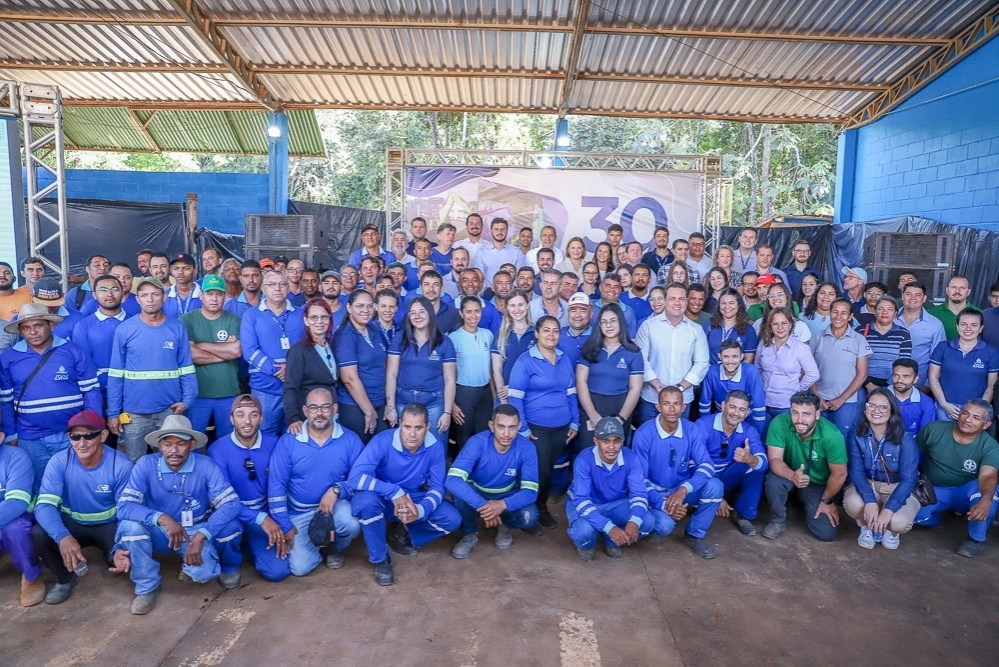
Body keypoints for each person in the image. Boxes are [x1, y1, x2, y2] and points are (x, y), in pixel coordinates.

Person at [112, 415, 241, 614]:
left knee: (204, 573)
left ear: (192, 444)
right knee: (130, 527)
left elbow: (231, 504)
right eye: (167, 444)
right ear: (160, 445)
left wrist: (202, 535)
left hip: (194, 529)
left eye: (181, 444)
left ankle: (190, 566)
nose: (174, 450)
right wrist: (161, 518)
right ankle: (147, 586)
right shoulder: (146, 464)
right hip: (158, 530)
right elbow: (125, 506)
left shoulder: (206, 465)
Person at [348, 403, 461, 585]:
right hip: (382, 497)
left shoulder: (435, 446)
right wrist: (393, 491)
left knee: (452, 518)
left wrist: (420, 510)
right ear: (400, 424)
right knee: (365, 503)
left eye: (418, 428)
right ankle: (380, 558)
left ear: (427, 426)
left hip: (412, 498)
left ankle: (402, 533)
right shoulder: (382, 441)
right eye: (407, 427)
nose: (412, 434)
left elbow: (437, 488)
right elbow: (355, 479)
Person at [32, 410, 133, 604]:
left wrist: (119, 546)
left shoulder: (121, 465)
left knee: (128, 550)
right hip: (73, 523)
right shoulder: (59, 461)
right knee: (39, 534)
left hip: (110, 525)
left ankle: (109, 557)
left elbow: (127, 512)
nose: (82, 442)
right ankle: (65, 579)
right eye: (75, 436)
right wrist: (62, 536)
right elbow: (44, 506)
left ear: (103, 435)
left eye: (89, 435)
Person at [1, 303, 101, 491]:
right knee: (41, 488)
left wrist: (90, 427)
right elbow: (5, 402)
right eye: (26, 328)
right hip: (30, 437)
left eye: (38, 325)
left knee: (76, 485)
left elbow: (91, 391)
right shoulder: (9, 358)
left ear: (51, 325)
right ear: (20, 331)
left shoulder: (73, 350)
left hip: (71, 434)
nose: (32, 332)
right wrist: (11, 435)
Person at [267, 388, 363, 575]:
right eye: (313, 408)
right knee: (300, 568)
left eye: (325, 407)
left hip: (334, 508)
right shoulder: (288, 441)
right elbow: (276, 485)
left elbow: (360, 479)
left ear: (335, 409)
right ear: (305, 411)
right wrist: (285, 525)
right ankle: (318, 545)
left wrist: (337, 490)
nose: (319, 413)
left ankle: (333, 547)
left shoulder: (350, 440)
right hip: (299, 513)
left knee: (351, 522)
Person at [107, 277, 198, 462]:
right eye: (144, 295)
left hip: (169, 411)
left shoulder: (177, 328)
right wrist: (113, 413)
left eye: (155, 294)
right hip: (134, 413)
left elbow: (187, 368)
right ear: (138, 299)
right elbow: (116, 375)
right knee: (135, 463)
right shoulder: (125, 330)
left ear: (164, 297)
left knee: (169, 462)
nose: (150, 299)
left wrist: (188, 400)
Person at [204, 394, 289, 582]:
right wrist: (260, 518)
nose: (247, 421)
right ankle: (229, 566)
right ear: (231, 419)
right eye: (240, 415)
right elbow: (222, 499)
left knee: (278, 572)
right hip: (233, 513)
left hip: (264, 512)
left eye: (254, 415)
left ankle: (251, 545)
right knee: (227, 529)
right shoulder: (218, 450)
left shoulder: (274, 443)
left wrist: (278, 520)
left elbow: (282, 485)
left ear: (262, 418)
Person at [632, 386, 722, 558]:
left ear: (683, 407)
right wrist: (664, 504)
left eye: (676, 404)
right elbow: (639, 480)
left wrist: (684, 489)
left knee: (714, 486)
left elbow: (707, 465)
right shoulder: (644, 433)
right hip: (654, 493)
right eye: (666, 404)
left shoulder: (691, 429)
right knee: (664, 526)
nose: (672, 409)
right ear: (658, 407)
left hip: (680, 489)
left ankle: (694, 535)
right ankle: (655, 520)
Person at [508, 316, 579, 525]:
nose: (551, 335)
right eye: (546, 330)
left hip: (562, 427)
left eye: (555, 330)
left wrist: (574, 421)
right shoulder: (525, 361)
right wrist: (523, 428)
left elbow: (571, 392)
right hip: (537, 428)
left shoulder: (564, 359)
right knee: (541, 470)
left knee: (548, 467)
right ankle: (536, 510)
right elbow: (515, 397)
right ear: (537, 334)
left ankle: (535, 508)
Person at [446, 404, 540, 558]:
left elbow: (531, 492)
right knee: (460, 495)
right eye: (501, 427)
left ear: (519, 427)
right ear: (491, 425)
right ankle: (470, 534)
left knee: (529, 516)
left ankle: (505, 525)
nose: (506, 434)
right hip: (478, 492)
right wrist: (484, 506)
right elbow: (452, 480)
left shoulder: (527, 447)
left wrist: (502, 505)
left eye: (512, 427)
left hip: (506, 493)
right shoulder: (477, 442)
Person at [913, 400, 999, 557]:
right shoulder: (934, 429)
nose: (967, 419)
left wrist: (986, 500)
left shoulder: (990, 446)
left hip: (964, 493)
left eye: (976, 417)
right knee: (910, 517)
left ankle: (975, 539)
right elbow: (911, 456)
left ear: (986, 425)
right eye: (965, 413)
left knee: (988, 494)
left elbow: (988, 475)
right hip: (932, 490)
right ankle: (933, 517)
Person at [763, 391, 847, 542]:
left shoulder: (832, 435)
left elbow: (840, 474)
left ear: (817, 414)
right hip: (789, 475)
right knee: (774, 481)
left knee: (826, 533)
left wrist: (826, 500)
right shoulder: (779, 423)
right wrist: (792, 475)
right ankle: (777, 520)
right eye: (795, 413)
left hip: (816, 484)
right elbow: (774, 459)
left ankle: (801, 501)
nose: (800, 420)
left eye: (806, 414)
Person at [566, 416, 653, 560]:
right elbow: (581, 501)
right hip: (589, 504)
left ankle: (611, 541)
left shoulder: (631, 458)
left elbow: (639, 494)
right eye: (605, 441)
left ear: (622, 442)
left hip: (616, 504)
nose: (611, 447)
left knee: (647, 521)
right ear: (596, 441)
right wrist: (609, 527)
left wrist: (635, 520)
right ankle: (589, 543)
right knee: (584, 533)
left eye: (616, 441)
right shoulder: (584, 460)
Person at [843, 389, 921, 550]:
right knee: (853, 504)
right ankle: (867, 525)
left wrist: (888, 510)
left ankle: (891, 531)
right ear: (865, 409)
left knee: (898, 522)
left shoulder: (905, 438)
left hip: (896, 487)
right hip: (868, 483)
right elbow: (856, 471)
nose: (876, 411)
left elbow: (908, 479)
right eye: (871, 405)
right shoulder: (856, 434)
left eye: (883, 407)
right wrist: (870, 501)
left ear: (891, 411)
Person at [634, 282, 709, 424]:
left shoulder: (696, 330)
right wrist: (657, 384)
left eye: (681, 299)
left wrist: (680, 387)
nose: (677, 303)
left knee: (679, 436)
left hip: (682, 400)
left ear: (686, 301)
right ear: (664, 301)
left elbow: (702, 363)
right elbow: (640, 358)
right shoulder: (648, 326)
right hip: (651, 398)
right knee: (648, 435)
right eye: (672, 298)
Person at [241, 270, 305, 434]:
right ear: (263, 288)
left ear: (289, 288)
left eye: (282, 284)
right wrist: (278, 370)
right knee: (265, 436)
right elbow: (249, 351)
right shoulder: (251, 315)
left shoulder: (301, 314)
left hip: (297, 389)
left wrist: (290, 371)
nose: (277, 288)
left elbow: (308, 348)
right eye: (272, 284)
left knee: (295, 436)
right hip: (265, 390)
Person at [695, 390, 767, 536]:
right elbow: (692, 464)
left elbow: (764, 463)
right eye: (732, 407)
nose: (736, 413)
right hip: (702, 476)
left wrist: (750, 459)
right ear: (723, 406)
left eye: (742, 409)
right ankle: (699, 503)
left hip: (726, 476)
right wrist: (717, 496)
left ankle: (743, 516)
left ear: (748, 412)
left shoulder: (749, 430)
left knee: (756, 468)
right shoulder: (702, 425)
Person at [386, 296, 457, 441]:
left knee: (435, 445)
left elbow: (450, 380)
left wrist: (447, 413)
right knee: (405, 445)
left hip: (434, 403)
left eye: (422, 312)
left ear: (430, 313)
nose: (417, 316)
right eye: (412, 313)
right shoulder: (400, 338)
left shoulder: (444, 342)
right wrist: (390, 407)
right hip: (403, 401)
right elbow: (391, 374)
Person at [182, 275, 242, 442]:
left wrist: (200, 345)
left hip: (228, 392)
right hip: (197, 394)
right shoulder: (187, 319)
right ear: (201, 295)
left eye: (219, 294)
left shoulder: (233, 320)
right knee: (192, 442)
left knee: (228, 442)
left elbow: (236, 351)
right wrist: (225, 352)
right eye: (210, 294)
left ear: (224, 296)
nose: (214, 298)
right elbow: (191, 354)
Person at [576, 304, 643, 449]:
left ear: (621, 322)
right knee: (588, 450)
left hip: (620, 407)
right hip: (592, 405)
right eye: (604, 322)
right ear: (599, 325)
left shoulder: (633, 352)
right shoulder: (589, 348)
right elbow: (581, 381)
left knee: (613, 452)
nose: (608, 325)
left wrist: (621, 418)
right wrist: (593, 415)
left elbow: (635, 388)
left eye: (613, 321)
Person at [332, 290, 389, 443]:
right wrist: (368, 410)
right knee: (360, 449)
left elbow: (384, 364)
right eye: (360, 306)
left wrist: (388, 402)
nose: (366, 310)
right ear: (349, 307)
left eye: (370, 306)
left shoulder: (374, 329)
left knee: (381, 449)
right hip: (356, 406)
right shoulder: (345, 336)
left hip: (380, 401)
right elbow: (349, 378)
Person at [810, 298, 872, 438]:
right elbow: (807, 370)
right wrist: (816, 395)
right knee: (818, 438)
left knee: (841, 439)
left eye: (843, 313)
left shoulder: (859, 339)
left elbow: (862, 374)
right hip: (820, 400)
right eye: (835, 312)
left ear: (850, 316)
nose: (838, 316)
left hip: (846, 401)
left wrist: (841, 399)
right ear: (830, 313)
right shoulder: (817, 337)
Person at [755, 307, 820, 431]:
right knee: (763, 437)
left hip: (786, 404)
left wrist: (798, 389)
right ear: (770, 326)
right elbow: (757, 369)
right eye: (775, 324)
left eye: (784, 323)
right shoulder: (763, 344)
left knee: (783, 438)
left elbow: (813, 374)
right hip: (763, 402)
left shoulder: (800, 348)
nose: (780, 327)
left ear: (791, 325)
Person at [928, 309, 999, 421]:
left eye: (974, 325)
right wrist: (944, 404)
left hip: (974, 412)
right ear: (957, 326)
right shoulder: (943, 347)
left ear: (981, 328)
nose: (968, 329)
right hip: (945, 407)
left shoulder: (991, 352)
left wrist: (979, 409)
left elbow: (991, 384)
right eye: (963, 324)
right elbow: (933, 377)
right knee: (943, 432)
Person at [72, 275, 129, 411]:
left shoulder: (135, 323)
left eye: (115, 289)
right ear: (94, 295)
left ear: (122, 292)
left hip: (130, 393)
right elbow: (84, 364)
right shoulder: (83, 326)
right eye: (103, 290)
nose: (109, 294)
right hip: (97, 395)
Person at [283, 299, 338, 434]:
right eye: (314, 317)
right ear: (306, 321)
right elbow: (290, 387)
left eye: (324, 317)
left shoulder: (332, 345)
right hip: (311, 416)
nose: (319, 321)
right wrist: (293, 418)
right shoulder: (299, 351)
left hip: (331, 412)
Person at [0, 437, 44, 607]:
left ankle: (31, 576)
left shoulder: (16, 457)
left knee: (16, 531)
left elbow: (17, 503)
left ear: (1, 437)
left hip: (17, 515)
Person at [448, 296, 495, 457]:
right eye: (468, 312)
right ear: (461, 313)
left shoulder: (488, 335)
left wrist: (494, 397)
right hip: (463, 394)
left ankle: (481, 470)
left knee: (484, 436)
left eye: (477, 311)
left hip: (485, 394)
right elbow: (448, 374)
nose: (473, 316)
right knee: (464, 438)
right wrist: (452, 404)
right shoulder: (454, 338)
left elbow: (491, 370)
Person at [698, 340, 766, 430]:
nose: (730, 361)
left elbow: (759, 405)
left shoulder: (751, 372)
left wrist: (757, 432)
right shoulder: (712, 372)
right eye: (726, 356)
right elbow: (705, 403)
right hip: (721, 416)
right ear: (720, 356)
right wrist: (705, 427)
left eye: (735, 356)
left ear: (741, 356)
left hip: (747, 417)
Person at [895, 281, 945, 385]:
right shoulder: (890, 319)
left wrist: (927, 385)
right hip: (889, 380)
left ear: (924, 298)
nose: (912, 298)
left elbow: (938, 358)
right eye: (908, 294)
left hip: (919, 382)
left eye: (918, 295)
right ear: (902, 296)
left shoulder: (935, 324)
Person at [491, 289, 535, 403]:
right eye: (512, 305)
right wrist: (503, 400)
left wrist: (513, 388)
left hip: (530, 395)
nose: (517, 310)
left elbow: (538, 369)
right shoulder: (500, 335)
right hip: (505, 396)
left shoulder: (536, 333)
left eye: (520, 305)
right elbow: (497, 370)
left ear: (527, 305)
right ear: (507, 308)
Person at [859, 296, 912, 390]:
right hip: (863, 383)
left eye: (890, 309)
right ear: (875, 311)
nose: (885, 312)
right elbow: (854, 361)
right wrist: (868, 384)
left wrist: (888, 387)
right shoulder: (861, 331)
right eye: (880, 309)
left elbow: (904, 364)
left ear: (895, 313)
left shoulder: (903, 334)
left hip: (892, 384)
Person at [704, 288, 758, 364]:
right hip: (711, 369)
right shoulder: (709, 324)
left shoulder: (748, 330)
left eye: (731, 303)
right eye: (723, 303)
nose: (727, 306)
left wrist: (732, 370)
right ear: (719, 305)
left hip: (738, 370)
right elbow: (700, 352)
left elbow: (748, 359)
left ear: (739, 305)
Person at [888, 358, 936, 437]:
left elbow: (924, 433)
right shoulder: (879, 396)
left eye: (906, 376)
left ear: (915, 379)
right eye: (896, 375)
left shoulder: (926, 402)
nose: (899, 380)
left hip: (912, 441)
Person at [472, 218, 525, 284]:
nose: (499, 232)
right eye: (496, 229)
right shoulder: (481, 252)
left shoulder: (517, 253)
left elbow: (519, 276)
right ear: (491, 231)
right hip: (488, 289)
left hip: (510, 290)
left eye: (502, 229)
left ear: (507, 231)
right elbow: (479, 277)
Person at [31, 277, 85, 341]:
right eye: (43, 305)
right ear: (32, 298)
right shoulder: (23, 320)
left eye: (53, 305)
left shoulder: (78, 319)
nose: (48, 309)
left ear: (63, 296)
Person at [928, 276, 978, 340]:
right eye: (953, 287)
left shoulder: (979, 314)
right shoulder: (931, 313)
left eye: (962, 288)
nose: (957, 291)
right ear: (947, 290)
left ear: (968, 292)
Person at [557, 293, 593, 366]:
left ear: (591, 314)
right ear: (568, 313)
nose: (577, 315)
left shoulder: (599, 337)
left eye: (583, 311)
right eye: (573, 311)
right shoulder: (557, 335)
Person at [163, 253, 202, 319]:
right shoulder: (165, 296)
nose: (180, 272)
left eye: (186, 268)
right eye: (176, 269)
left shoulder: (204, 295)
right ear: (171, 271)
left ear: (195, 271)